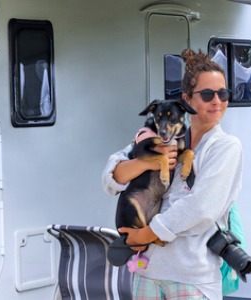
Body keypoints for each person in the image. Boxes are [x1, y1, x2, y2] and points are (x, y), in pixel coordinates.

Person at [101, 48, 242, 300]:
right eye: (208, 94)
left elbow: (200, 208)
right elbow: (112, 176)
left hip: (191, 279)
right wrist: (149, 164)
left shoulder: (225, 147)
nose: (217, 101)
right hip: (147, 274)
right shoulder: (165, 137)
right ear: (187, 99)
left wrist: (145, 234)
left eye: (223, 93)